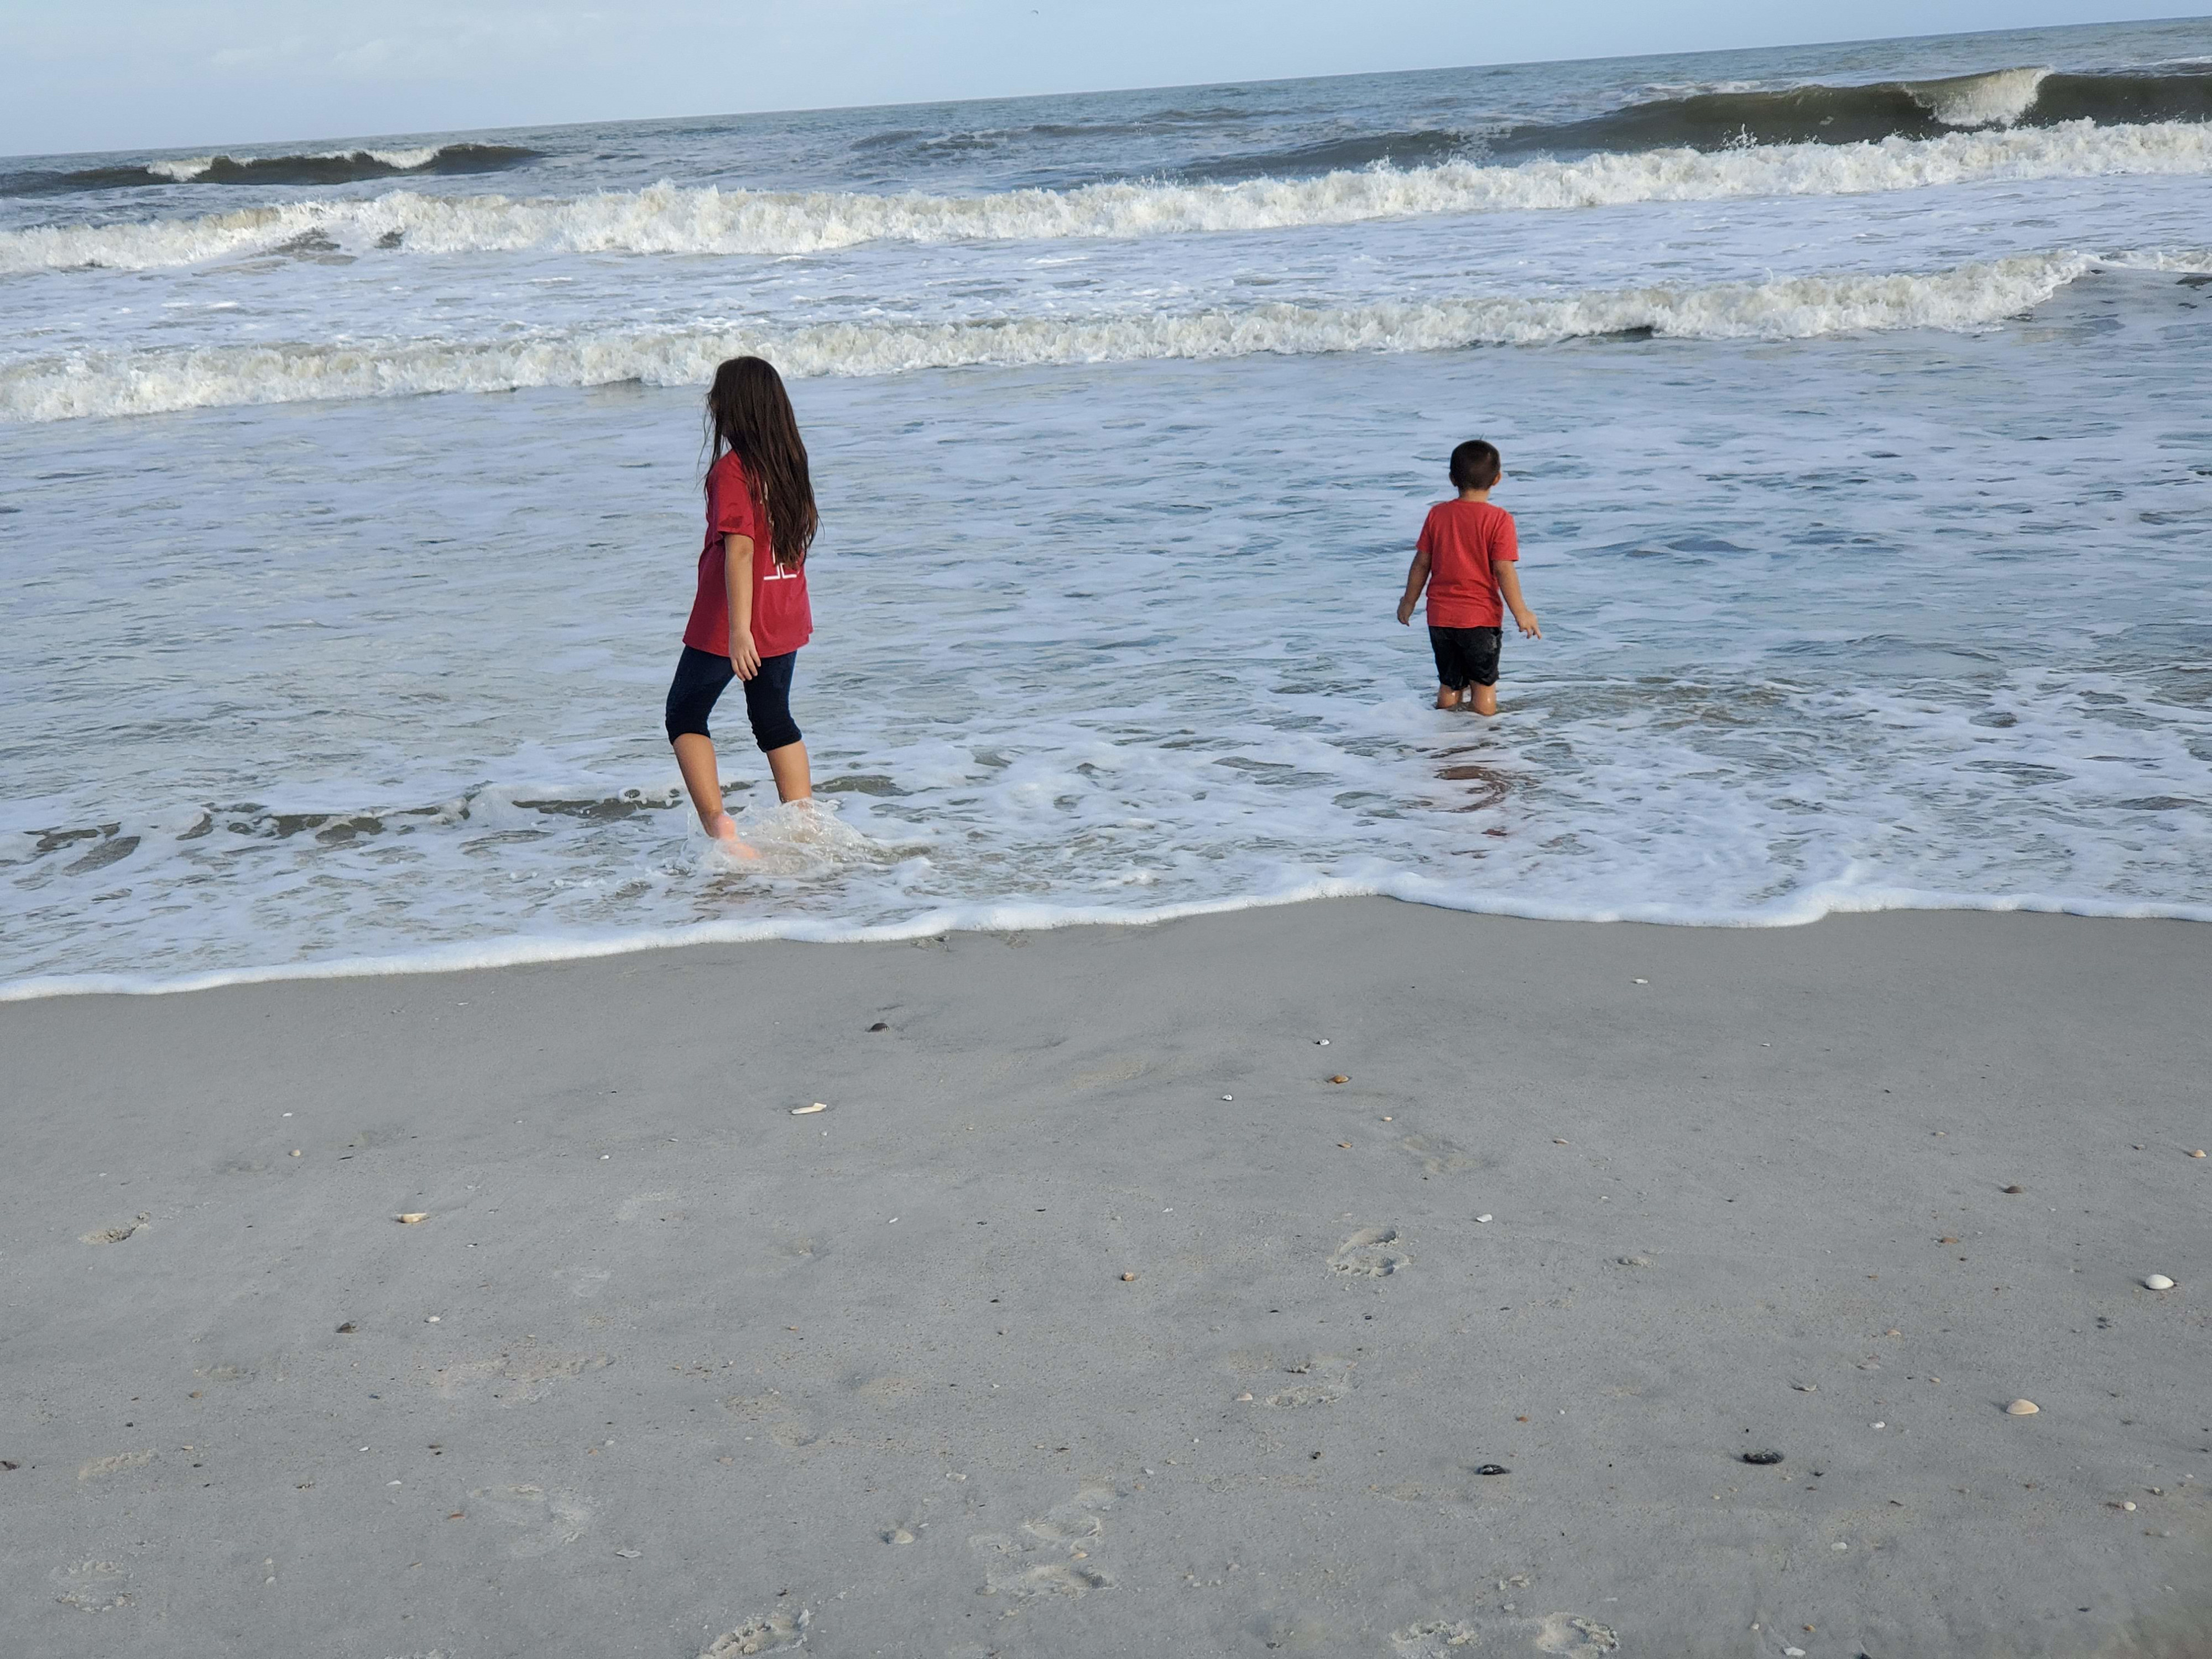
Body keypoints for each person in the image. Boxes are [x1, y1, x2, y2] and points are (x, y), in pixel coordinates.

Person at [664, 356, 818, 853]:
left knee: (685, 712)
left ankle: (720, 828)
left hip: (734, 618)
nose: (712, 403)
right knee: (773, 716)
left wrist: (738, 631)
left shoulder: (732, 471)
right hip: (785, 608)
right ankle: (805, 824)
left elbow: (741, 549)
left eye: (718, 395)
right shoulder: (790, 464)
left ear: (737, 408)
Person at [1395, 439, 1540, 715]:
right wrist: (1522, 613)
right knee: (1483, 686)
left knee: (1450, 684)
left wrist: (1408, 602)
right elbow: (1504, 570)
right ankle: (1482, 737)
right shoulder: (1499, 520)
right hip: (1480, 619)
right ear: (1497, 479)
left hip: (1441, 619)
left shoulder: (1437, 515)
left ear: (1452, 479)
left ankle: (1445, 734)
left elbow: (1421, 563)